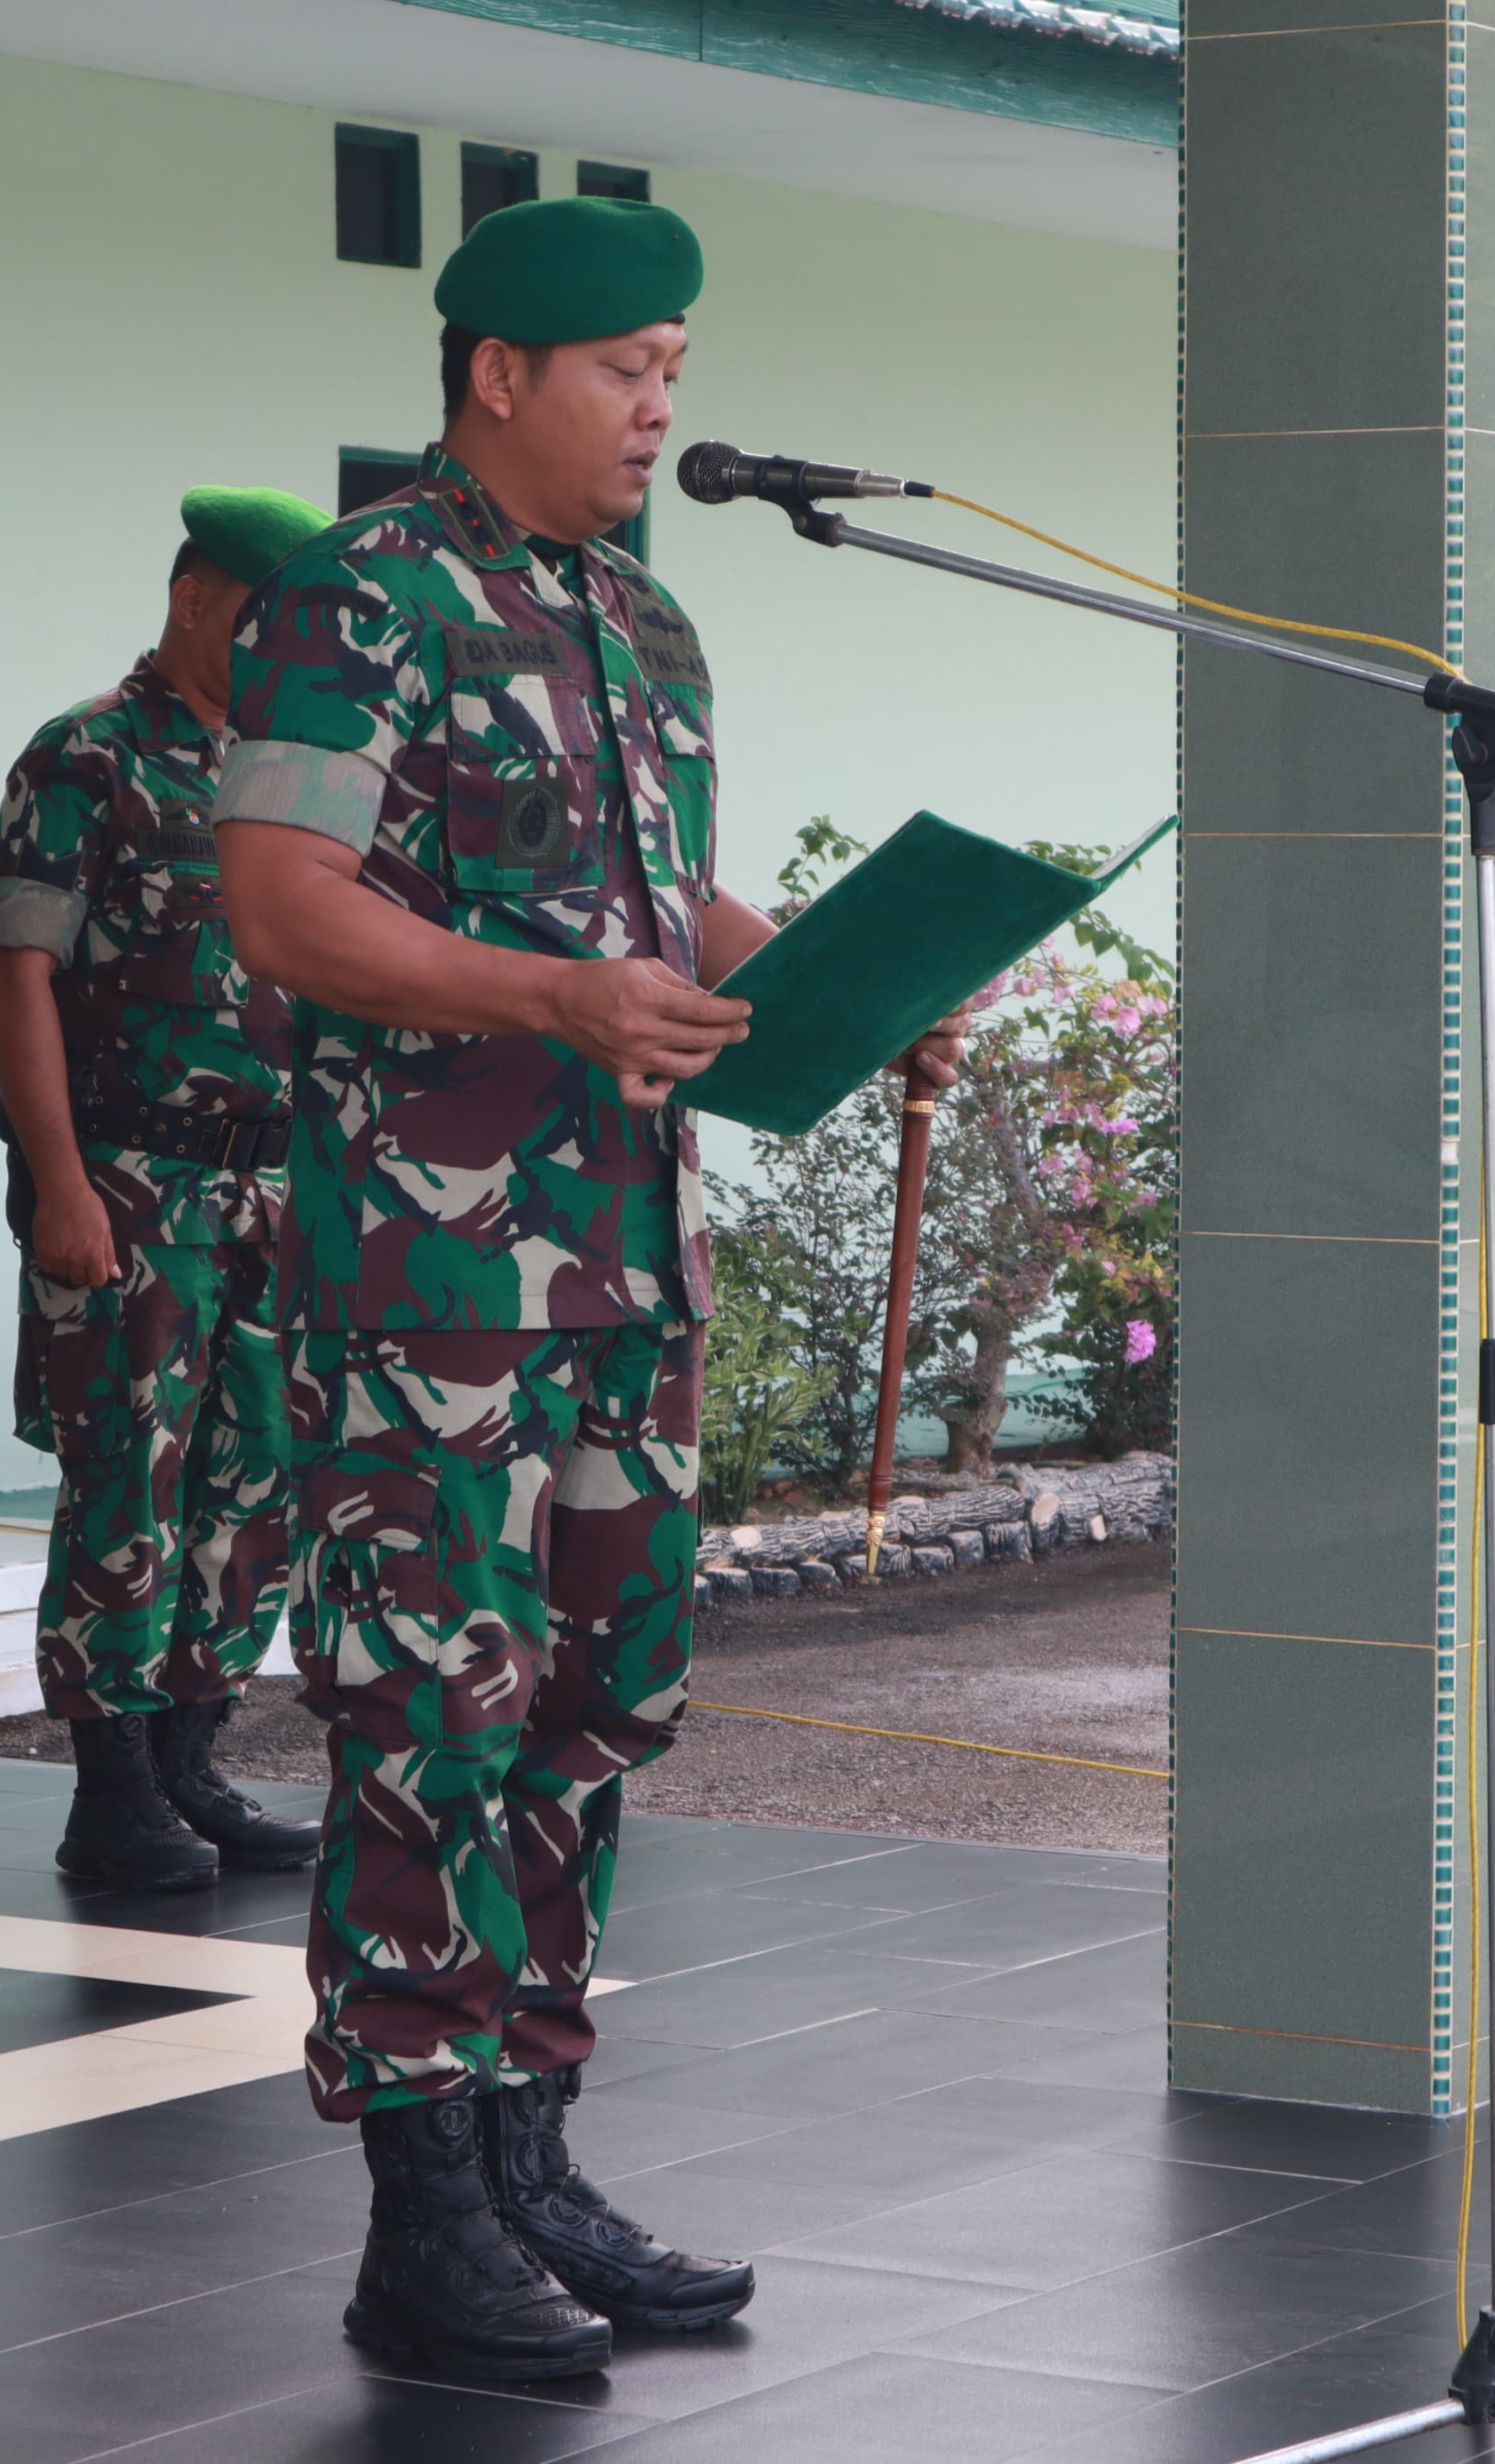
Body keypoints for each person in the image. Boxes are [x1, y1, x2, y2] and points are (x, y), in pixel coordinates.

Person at [216, 197, 966, 2381]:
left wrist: (823, 978)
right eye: (627, 367)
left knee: (593, 1697)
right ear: (494, 375)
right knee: (425, 1707)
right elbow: (282, 900)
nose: (660, 406)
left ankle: (533, 2147)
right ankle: (419, 2214)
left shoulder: (640, 614)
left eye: (677, 372)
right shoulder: (351, 600)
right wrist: (555, 993)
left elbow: (647, 894)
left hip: (625, 1261)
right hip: (426, 1270)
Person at [0, 484, 336, 1893]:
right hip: (132, 1182)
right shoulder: (87, 756)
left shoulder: (290, 771)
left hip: (274, 1187)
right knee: (127, 1480)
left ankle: (193, 1753)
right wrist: (59, 1181)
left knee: (258, 1480)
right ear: (195, 599)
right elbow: (19, 975)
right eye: (264, 621)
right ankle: (111, 1789)